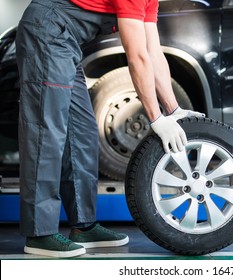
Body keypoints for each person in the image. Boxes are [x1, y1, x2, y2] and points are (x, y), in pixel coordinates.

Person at [15, 0, 204, 258]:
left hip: (65, 42)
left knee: (82, 134)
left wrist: (174, 110)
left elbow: (152, 51)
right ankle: (39, 233)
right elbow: (136, 55)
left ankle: (84, 226)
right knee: (46, 133)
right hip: (47, 33)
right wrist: (156, 118)